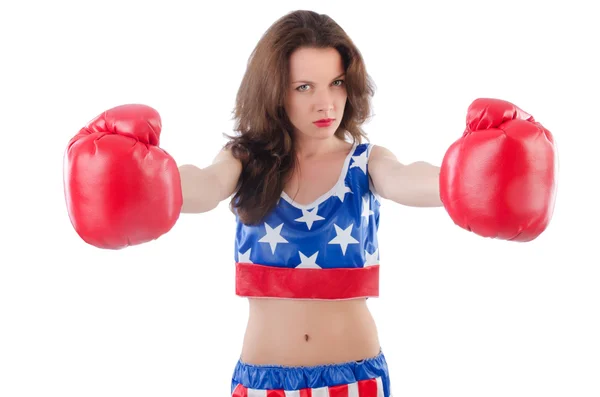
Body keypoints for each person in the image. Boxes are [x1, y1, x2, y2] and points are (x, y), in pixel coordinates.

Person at [63, 9, 557, 397]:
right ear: (275, 91)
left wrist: (468, 177)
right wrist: (149, 181)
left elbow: (410, 180)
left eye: (336, 82)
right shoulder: (245, 159)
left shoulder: (365, 161)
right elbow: (206, 185)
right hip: (262, 382)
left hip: (355, 380)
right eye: (305, 87)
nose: (326, 103)